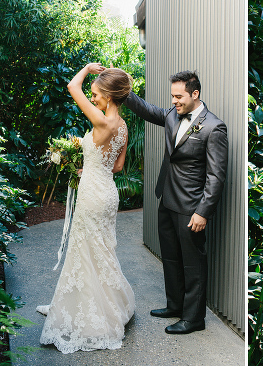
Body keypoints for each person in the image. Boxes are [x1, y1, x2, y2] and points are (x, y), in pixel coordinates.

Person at [38, 63, 136, 353]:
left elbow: (72, 87)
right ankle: (86, 304)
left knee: (84, 251)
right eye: (92, 95)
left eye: (96, 95)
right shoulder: (122, 126)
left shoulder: (102, 122)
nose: (92, 99)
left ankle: (89, 316)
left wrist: (87, 69)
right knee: (100, 250)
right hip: (107, 193)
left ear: (108, 95)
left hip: (92, 195)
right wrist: (91, 167)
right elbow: (117, 166)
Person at [124, 70, 227, 335]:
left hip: (191, 207)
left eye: (179, 96)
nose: (174, 101)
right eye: (172, 96)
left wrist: (203, 212)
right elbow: (147, 110)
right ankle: (175, 305)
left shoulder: (214, 127)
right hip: (167, 200)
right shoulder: (171, 115)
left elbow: (216, 177)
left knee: (193, 263)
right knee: (170, 258)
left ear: (195, 94)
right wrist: (121, 88)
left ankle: (193, 319)